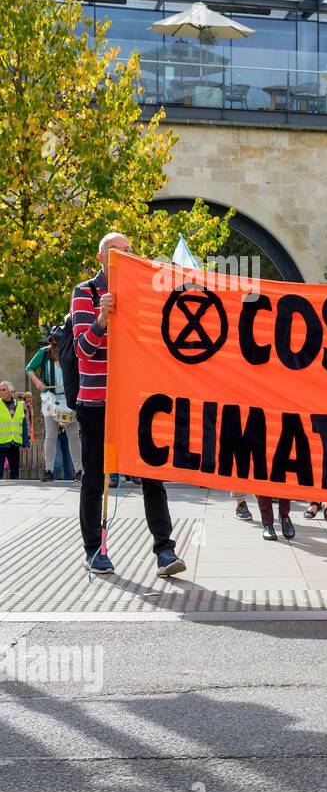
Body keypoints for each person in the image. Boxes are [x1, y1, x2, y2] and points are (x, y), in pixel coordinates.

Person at [75, 232, 185, 577]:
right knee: (94, 478)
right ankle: (95, 550)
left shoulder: (143, 292)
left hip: (137, 400)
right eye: (116, 250)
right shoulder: (85, 293)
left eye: (128, 250)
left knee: (152, 475)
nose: (124, 255)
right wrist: (102, 319)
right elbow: (83, 350)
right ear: (101, 257)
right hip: (97, 401)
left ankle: (165, 550)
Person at [26, 324, 82, 481]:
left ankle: (79, 470)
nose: (56, 343)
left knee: (73, 435)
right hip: (50, 398)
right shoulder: (44, 353)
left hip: (70, 398)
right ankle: (48, 470)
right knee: (50, 435)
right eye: (54, 340)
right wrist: (37, 382)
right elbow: (29, 368)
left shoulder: (73, 351)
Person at [0, 381, 25, 478]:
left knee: (15, 472)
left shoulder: (20, 405)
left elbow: (23, 425)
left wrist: (25, 441)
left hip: (14, 443)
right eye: (0, 390)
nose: (1, 392)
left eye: (4, 390)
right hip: (1, 443)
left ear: (10, 391)